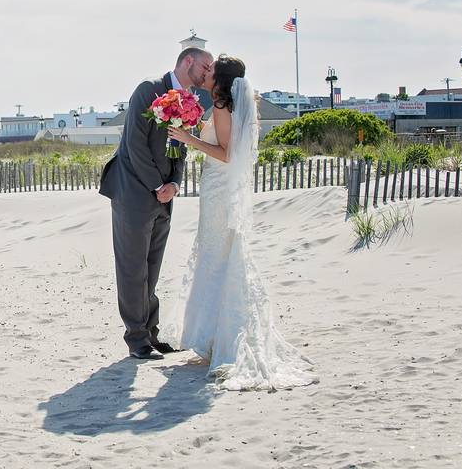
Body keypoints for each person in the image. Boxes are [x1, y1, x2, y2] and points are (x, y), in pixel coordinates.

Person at [164, 54, 318, 391]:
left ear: (221, 78)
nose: (207, 72)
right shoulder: (230, 104)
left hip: (219, 191)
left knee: (217, 256)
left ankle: (219, 339)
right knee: (219, 256)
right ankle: (216, 336)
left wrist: (186, 138)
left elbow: (225, 153)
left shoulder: (221, 105)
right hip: (219, 190)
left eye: (212, 69)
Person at [99, 47, 214, 360]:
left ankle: (151, 333)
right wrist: (157, 184)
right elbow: (134, 143)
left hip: (164, 196)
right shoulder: (149, 89)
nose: (208, 72)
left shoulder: (193, 101)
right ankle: (136, 339)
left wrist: (175, 183)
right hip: (133, 190)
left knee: (152, 266)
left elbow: (180, 145)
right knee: (132, 267)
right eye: (205, 65)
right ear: (187, 60)